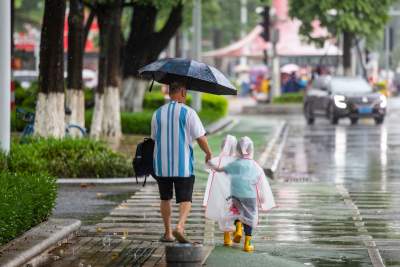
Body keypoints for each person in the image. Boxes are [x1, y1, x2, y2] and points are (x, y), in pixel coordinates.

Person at [151, 82, 212, 243]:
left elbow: (154, 139)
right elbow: (200, 138)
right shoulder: (188, 113)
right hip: (182, 165)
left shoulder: (157, 113)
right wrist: (208, 153)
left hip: (161, 166)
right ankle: (180, 226)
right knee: (185, 199)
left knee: (165, 198)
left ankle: (168, 233)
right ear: (183, 92)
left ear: (170, 92)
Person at [207, 136, 276, 252]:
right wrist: (262, 196)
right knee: (250, 216)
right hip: (250, 195)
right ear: (251, 150)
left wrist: (211, 164)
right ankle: (247, 244)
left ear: (237, 150)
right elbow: (261, 182)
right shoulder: (255, 165)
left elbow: (220, 170)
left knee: (237, 212)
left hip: (235, 195)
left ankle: (237, 229)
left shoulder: (235, 164)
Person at [203, 135, 237, 231]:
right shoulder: (238, 161)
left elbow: (206, 166)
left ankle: (227, 239)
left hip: (220, 193)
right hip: (235, 191)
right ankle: (238, 228)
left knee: (223, 214)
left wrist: (208, 157)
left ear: (222, 147)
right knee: (237, 211)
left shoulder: (217, 160)